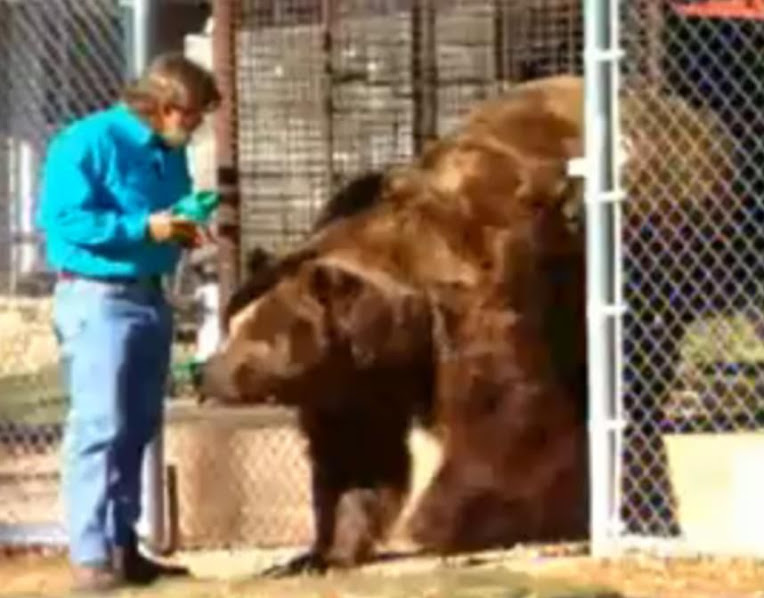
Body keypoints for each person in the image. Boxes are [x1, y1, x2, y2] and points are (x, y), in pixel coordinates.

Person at [35, 52, 220, 592]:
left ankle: (124, 546)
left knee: (137, 426)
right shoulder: (86, 142)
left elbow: (168, 214)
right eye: (194, 116)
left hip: (149, 296)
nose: (197, 127)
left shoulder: (165, 153)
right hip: (97, 298)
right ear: (165, 107)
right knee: (99, 426)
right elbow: (64, 219)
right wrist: (147, 226)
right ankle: (90, 556)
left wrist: (188, 222)